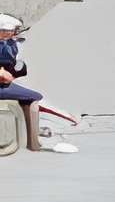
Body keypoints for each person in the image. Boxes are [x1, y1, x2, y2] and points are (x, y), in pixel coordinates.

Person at [0, 15, 78, 153]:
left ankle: (32, 138)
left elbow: (15, 70)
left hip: (4, 84)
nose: (15, 33)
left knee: (32, 99)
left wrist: (16, 66)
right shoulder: (6, 45)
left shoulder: (9, 44)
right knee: (35, 98)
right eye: (12, 30)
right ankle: (35, 142)